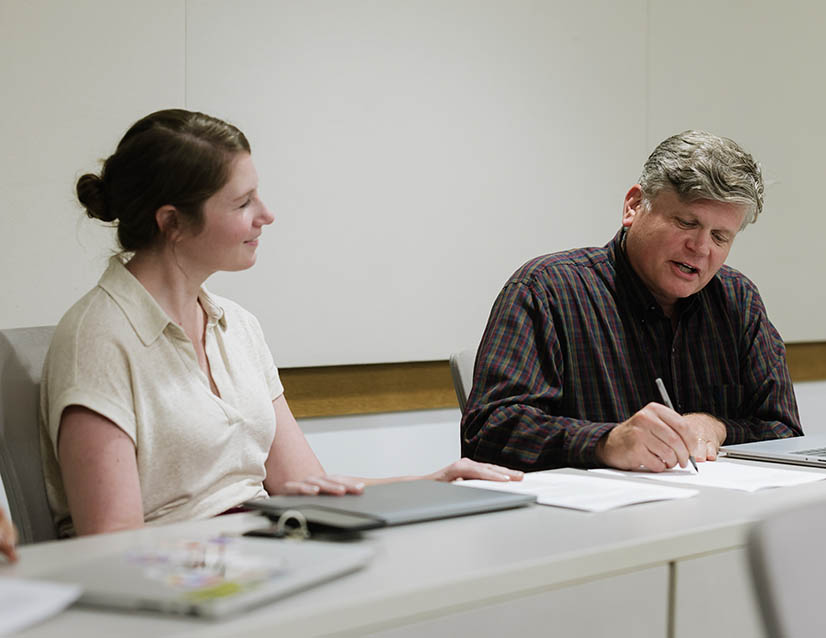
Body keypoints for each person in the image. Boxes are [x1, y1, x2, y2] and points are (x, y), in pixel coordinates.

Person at [40, 109, 521, 538]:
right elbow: (110, 542)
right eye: (243, 202)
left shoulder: (239, 327)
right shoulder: (97, 340)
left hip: (263, 553)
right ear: (173, 223)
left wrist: (434, 482)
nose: (266, 215)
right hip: (180, 586)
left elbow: (300, 486)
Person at [461, 130, 802, 472]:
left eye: (719, 236)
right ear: (634, 206)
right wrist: (605, 443)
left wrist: (718, 427)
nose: (701, 248)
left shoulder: (737, 300)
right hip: (584, 518)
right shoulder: (547, 290)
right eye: (686, 223)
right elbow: (488, 433)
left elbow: (785, 432)